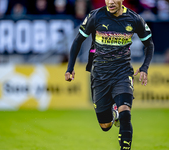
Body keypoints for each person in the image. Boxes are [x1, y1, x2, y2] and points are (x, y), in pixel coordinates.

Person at [65, 0, 154, 149]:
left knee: (125, 113)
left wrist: (144, 67)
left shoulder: (134, 19)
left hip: (122, 72)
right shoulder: (96, 16)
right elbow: (78, 41)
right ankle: (114, 111)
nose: (110, 2)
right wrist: (70, 68)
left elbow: (149, 44)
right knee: (105, 125)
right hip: (100, 75)